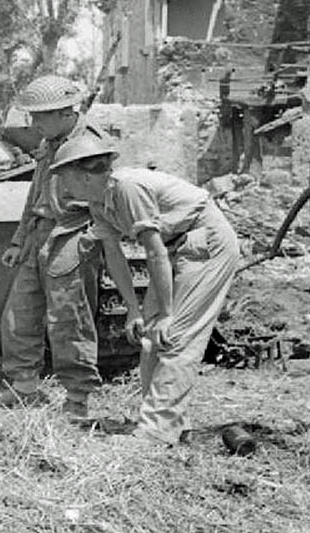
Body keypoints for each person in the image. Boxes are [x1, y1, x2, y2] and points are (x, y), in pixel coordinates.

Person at [48, 134, 240, 445]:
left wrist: (165, 313)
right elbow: (114, 253)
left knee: (175, 336)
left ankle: (156, 431)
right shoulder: (98, 201)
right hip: (176, 248)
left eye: (64, 176)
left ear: (83, 175)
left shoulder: (127, 188)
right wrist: (133, 311)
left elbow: (153, 252)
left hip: (206, 242)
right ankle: (170, 423)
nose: (62, 184)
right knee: (152, 340)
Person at [0, 75, 104, 419]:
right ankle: (24, 389)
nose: (34, 124)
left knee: (69, 320)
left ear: (66, 113)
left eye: (41, 116)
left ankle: (77, 400)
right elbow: (35, 195)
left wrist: (93, 238)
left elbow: (105, 198)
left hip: (73, 234)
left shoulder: (90, 145)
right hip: (39, 235)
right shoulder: (51, 141)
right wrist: (19, 240)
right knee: (19, 314)